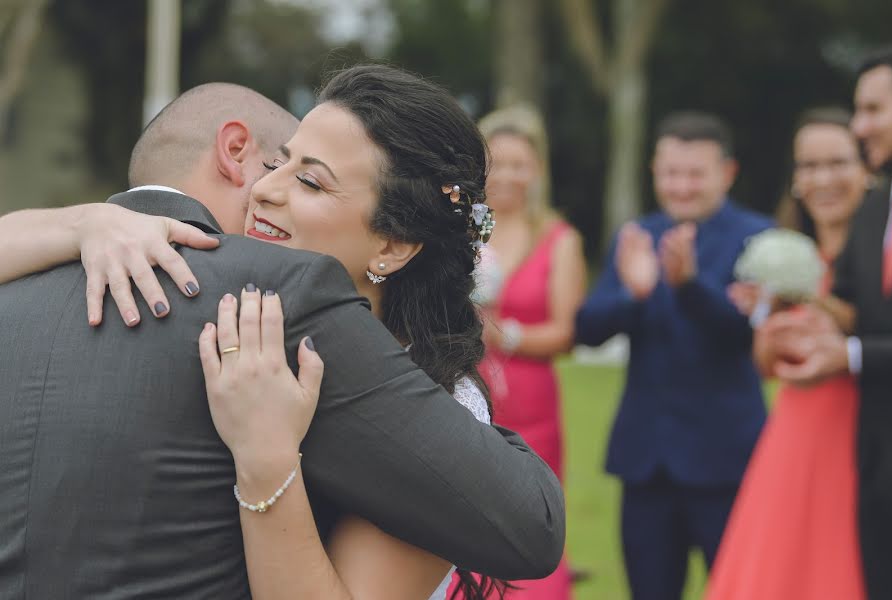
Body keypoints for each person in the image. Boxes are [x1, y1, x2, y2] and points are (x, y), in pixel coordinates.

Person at [0, 69, 565, 599]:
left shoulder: (429, 404)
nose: (266, 190)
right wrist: (85, 220)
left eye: (312, 183)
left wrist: (266, 459)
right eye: (280, 163)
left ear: (392, 246)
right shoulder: (225, 314)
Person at [574, 112, 771, 600]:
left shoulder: (757, 238)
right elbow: (587, 329)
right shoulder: (637, 234)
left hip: (725, 458)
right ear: (654, 172)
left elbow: (747, 334)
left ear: (726, 173)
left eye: (695, 174)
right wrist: (634, 295)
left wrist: (688, 287)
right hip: (647, 461)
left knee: (741, 589)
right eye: (671, 173)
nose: (681, 186)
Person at [705, 107, 868, 600]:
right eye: (808, 166)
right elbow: (766, 364)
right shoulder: (790, 252)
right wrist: (765, 317)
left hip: (855, 436)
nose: (822, 180)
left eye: (837, 163)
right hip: (791, 436)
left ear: (867, 169)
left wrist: (809, 300)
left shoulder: (875, 259)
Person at [762, 46, 892, 599]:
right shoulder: (875, 207)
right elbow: (846, 305)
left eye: (872, 109)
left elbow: (858, 340)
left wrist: (851, 356)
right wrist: (789, 305)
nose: (859, 126)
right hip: (879, 468)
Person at [472, 104, 586, 600]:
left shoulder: (559, 240)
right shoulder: (461, 231)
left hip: (532, 402)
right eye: (498, 162)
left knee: (529, 518)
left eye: (520, 164)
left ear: (536, 171)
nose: (509, 175)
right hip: (465, 388)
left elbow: (567, 332)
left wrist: (505, 335)